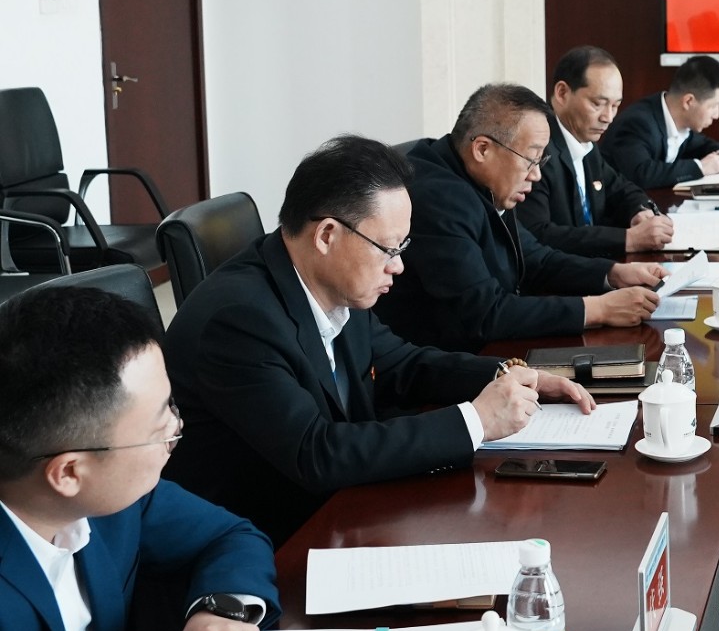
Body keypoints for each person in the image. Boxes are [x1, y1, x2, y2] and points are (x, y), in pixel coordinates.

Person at [164, 136, 595, 544]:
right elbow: (316, 453)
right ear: (327, 235)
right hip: (268, 539)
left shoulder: (331, 282)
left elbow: (401, 364)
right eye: (388, 249)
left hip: (341, 508)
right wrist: (477, 420)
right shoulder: (238, 320)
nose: (398, 266)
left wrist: (512, 374)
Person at [0, 286, 280, 631]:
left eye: (171, 407)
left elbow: (230, 536)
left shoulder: (115, 497)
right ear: (69, 473)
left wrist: (218, 612)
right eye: (158, 429)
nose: (177, 429)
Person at [377, 84, 666, 352]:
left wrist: (613, 273)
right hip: (443, 365)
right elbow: (484, 313)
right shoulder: (437, 198)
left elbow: (535, 258)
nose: (536, 174)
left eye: (542, 160)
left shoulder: (482, 179)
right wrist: (599, 310)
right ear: (483, 149)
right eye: (531, 159)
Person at [514, 46, 674, 258]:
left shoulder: (584, 141)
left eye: (615, 106)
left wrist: (639, 211)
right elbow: (538, 234)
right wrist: (628, 239)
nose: (608, 117)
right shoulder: (537, 149)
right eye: (598, 104)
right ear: (562, 93)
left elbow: (620, 188)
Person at [602, 55, 719, 188]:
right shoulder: (638, 123)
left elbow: (703, 145)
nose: (716, 115)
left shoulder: (681, 124)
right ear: (688, 101)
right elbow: (642, 174)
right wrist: (700, 167)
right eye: (713, 106)